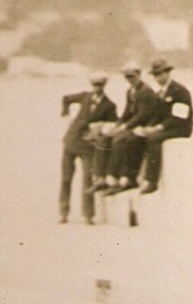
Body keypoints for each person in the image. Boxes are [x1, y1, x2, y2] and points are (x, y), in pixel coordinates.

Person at [59, 73, 118, 223]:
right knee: (66, 178)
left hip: (88, 146)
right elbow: (66, 99)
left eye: (100, 85)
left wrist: (100, 128)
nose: (97, 88)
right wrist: (66, 117)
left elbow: (114, 124)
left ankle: (88, 215)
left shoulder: (110, 105)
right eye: (94, 85)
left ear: (104, 85)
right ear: (91, 85)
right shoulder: (84, 96)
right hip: (71, 141)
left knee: (87, 179)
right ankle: (63, 212)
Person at [98, 63, 164, 194]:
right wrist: (117, 124)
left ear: (139, 75)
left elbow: (142, 116)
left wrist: (125, 127)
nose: (129, 79)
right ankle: (106, 177)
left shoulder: (145, 91)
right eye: (127, 77)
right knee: (106, 138)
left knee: (121, 140)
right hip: (134, 124)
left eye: (132, 76)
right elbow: (127, 112)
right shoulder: (130, 91)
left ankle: (123, 178)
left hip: (144, 125)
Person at [133, 58, 193, 193]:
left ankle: (152, 181)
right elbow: (157, 115)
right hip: (168, 127)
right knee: (139, 137)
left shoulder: (180, 91)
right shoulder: (161, 92)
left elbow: (179, 117)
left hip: (181, 128)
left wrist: (158, 127)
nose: (157, 78)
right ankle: (136, 176)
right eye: (155, 75)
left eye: (160, 74)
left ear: (168, 73)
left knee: (154, 139)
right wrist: (147, 127)